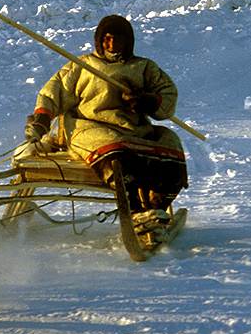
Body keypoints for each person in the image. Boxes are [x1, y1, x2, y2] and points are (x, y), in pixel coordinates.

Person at [24, 14, 188, 238]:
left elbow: (168, 95)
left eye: (117, 40)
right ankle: (134, 212)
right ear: (99, 40)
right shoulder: (83, 65)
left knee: (170, 142)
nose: (111, 45)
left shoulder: (143, 67)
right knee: (116, 150)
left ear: (128, 42)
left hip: (133, 128)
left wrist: (147, 100)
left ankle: (155, 207)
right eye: (107, 39)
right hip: (88, 127)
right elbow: (52, 93)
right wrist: (42, 119)